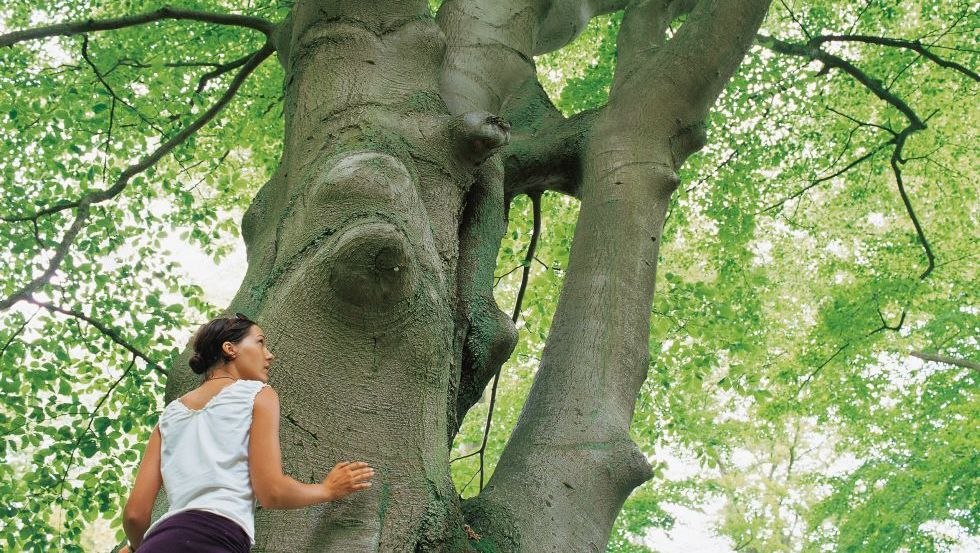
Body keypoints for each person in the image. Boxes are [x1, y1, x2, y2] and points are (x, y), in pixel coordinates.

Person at [118, 312, 374, 552]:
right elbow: (271, 491)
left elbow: (134, 515)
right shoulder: (257, 395)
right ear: (230, 349)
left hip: (159, 540)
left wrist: (136, 547)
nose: (269, 355)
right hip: (215, 537)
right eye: (260, 342)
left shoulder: (169, 416)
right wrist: (327, 490)